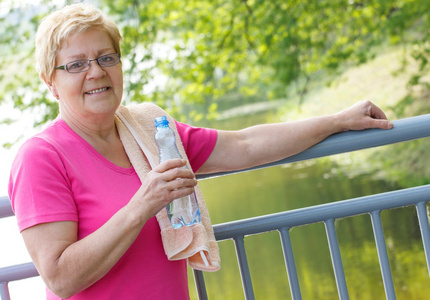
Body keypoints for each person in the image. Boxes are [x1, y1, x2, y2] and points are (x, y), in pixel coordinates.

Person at [8, 3, 393, 300]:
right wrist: (141, 206)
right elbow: (60, 277)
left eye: (106, 57)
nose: (96, 72)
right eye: (76, 64)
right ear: (51, 82)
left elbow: (244, 145)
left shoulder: (149, 131)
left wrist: (338, 121)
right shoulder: (41, 157)